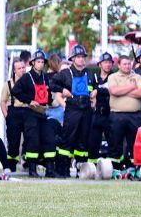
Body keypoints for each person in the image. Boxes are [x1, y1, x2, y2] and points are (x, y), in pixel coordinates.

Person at [11, 50, 57, 177]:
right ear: (32, 63)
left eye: (42, 62)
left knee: (49, 138)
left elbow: (47, 95)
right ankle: (32, 169)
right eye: (38, 62)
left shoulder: (45, 77)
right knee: (33, 140)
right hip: (30, 113)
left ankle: (50, 169)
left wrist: (51, 102)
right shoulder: (26, 77)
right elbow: (15, 91)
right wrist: (29, 100)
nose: (41, 64)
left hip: (43, 113)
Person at [53, 44, 95, 177]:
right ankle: (62, 170)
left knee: (83, 140)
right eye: (78, 57)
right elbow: (52, 84)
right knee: (67, 139)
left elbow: (96, 85)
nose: (81, 59)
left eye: (83, 57)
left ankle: (81, 169)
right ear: (73, 58)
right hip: (72, 109)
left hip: (86, 110)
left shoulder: (89, 73)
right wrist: (62, 90)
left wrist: (96, 91)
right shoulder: (65, 73)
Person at [106, 54, 141, 171]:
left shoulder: (137, 77)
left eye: (129, 64)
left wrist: (122, 91)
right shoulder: (113, 77)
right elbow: (114, 91)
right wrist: (131, 87)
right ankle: (115, 169)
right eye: (124, 64)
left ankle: (134, 168)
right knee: (115, 143)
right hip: (117, 115)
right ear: (118, 65)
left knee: (134, 143)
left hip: (135, 116)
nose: (127, 66)